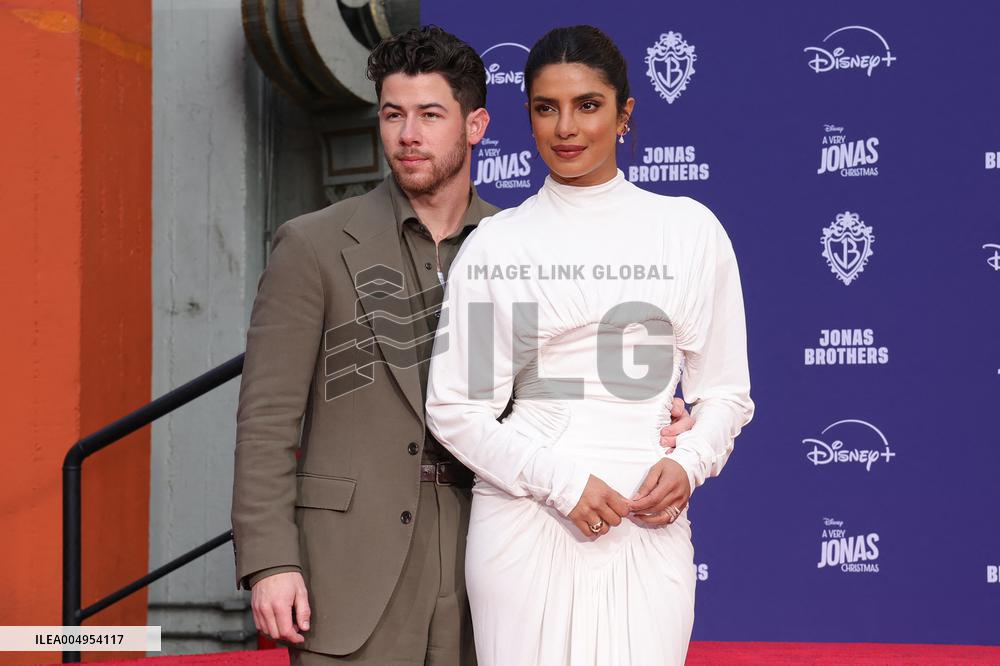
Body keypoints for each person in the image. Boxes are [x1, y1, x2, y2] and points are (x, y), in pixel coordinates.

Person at [231, 26, 695, 665]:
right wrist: (270, 561)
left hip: (494, 548)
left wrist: (654, 414)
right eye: (393, 114)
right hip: (353, 563)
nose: (408, 134)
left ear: (476, 125)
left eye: (429, 115)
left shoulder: (520, 241)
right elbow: (266, 422)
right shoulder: (312, 245)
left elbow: (556, 380)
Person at [425, 25, 754, 666]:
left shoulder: (690, 232)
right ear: (528, 118)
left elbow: (725, 393)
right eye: (546, 108)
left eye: (588, 105)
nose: (566, 127)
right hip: (526, 518)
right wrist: (563, 483)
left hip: (647, 519)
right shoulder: (501, 244)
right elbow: (456, 409)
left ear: (625, 114)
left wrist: (688, 464)